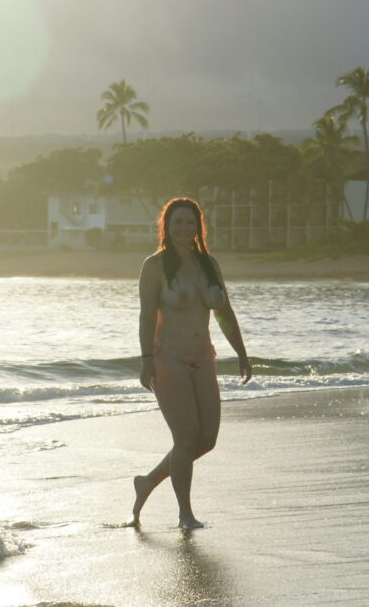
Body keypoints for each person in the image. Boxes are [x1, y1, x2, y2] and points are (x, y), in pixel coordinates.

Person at [131, 197, 251, 530]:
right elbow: (145, 318)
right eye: (177, 222)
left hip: (203, 357)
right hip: (167, 356)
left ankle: (148, 481)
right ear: (166, 227)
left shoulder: (209, 264)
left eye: (189, 222)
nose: (183, 228)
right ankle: (185, 514)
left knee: (207, 439)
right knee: (185, 439)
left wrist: (241, 352)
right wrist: (145, 361)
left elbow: (224, 313)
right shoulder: (154, 266)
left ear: (199, 226)